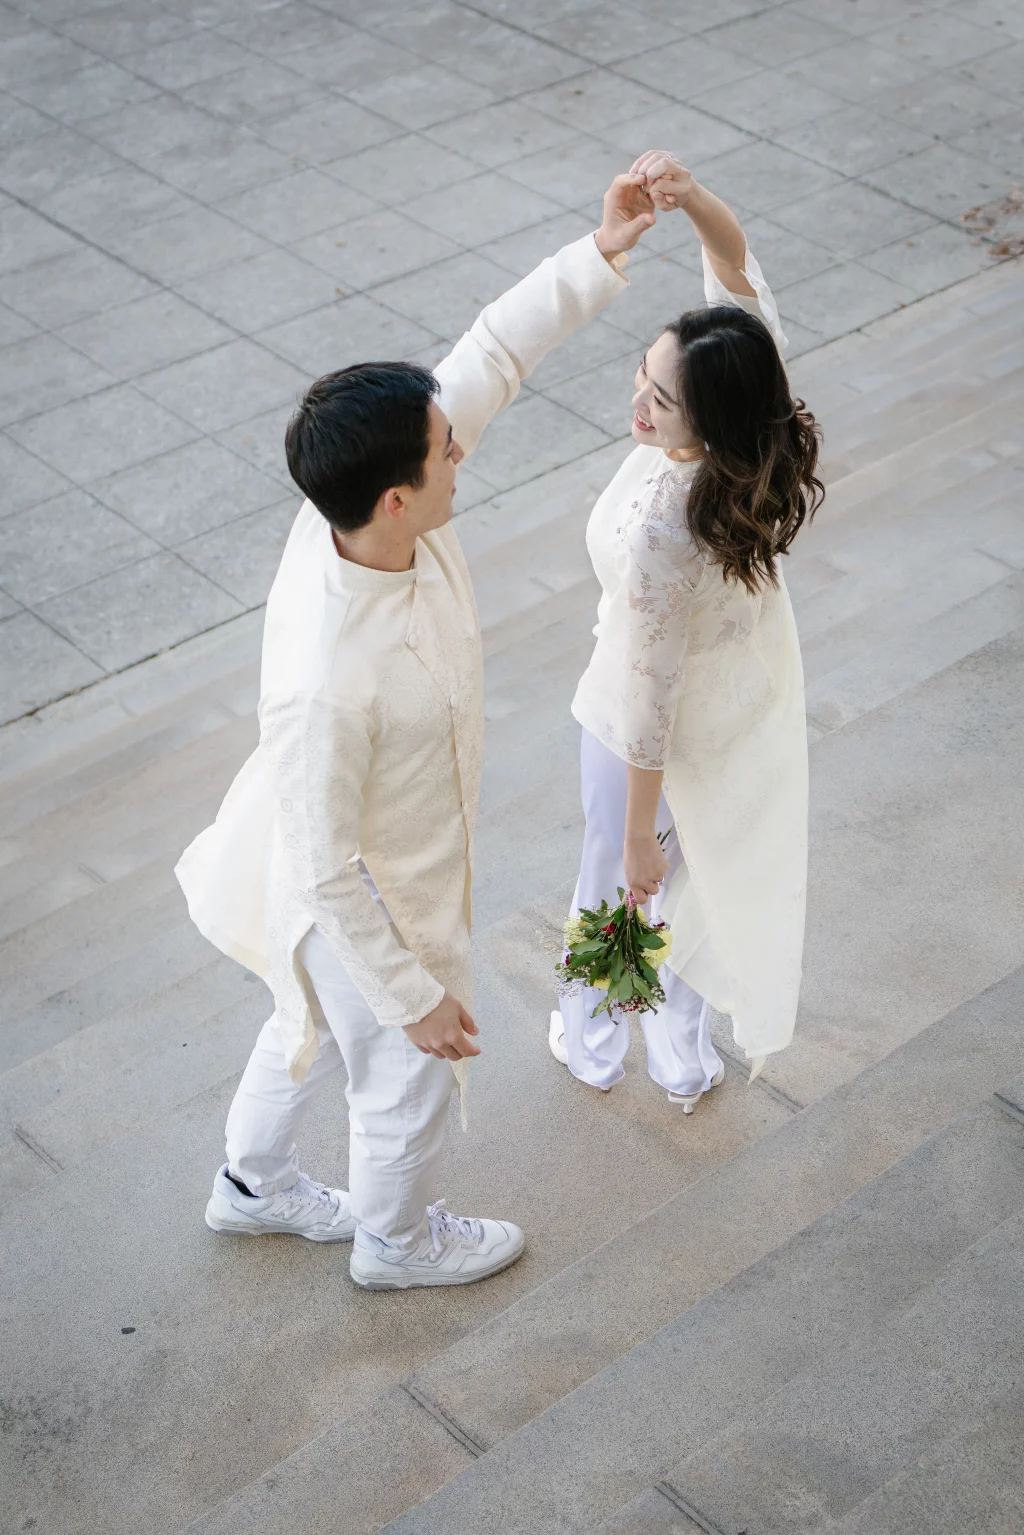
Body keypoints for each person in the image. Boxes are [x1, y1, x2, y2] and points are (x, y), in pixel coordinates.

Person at [175, 167, 659, 1288]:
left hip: (340, 841)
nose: (461, 451)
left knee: (296, 1021)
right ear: (395, 495)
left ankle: (250, 1182)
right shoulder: (326, 680)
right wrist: (415, 994)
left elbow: (489, 353)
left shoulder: (372, 504)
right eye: (444, 452)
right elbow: (328, 869)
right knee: (402, 1070)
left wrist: (598, 251)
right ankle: (395, 1242)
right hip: (362, 883)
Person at [549, 151, 823, 1112]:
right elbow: (738, 273)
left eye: (660, 399)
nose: (638, 401)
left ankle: (602, 1019)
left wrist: (634, 833)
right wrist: (692, 197)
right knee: (696, 875)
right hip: (744, 694)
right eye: (643, 374)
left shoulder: (668, 521)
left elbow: (644, 697)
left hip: (649, 724)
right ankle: (663, 1031)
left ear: (706, 414)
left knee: (627, 883)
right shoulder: (758, 414)